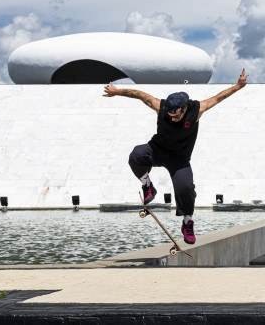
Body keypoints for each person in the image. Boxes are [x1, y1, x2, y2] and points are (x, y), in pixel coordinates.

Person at [103, 69, 248, 244]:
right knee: (137, 154)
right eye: (169, 115)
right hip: (157, 150)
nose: (172, 118)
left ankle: (187, 222)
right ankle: (147, 186)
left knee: (186, 188)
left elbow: (218, 98)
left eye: (176, 115)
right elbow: (139, 94)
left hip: (179, 159)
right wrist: (117, 92)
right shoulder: (161, 106)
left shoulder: (197, 109)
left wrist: (238, 86)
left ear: (184, 109)